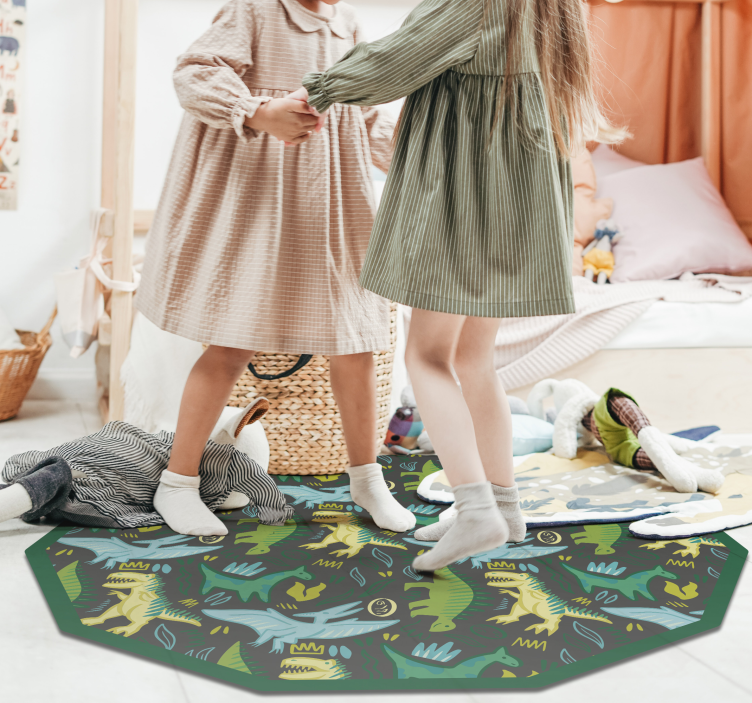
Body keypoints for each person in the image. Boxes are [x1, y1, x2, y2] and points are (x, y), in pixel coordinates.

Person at [292, 0, 626, 571]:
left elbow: (395, 60)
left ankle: (474, 510)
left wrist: (315, 91)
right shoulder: (549, 9)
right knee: (474, 360)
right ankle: (504, 507)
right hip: (511, 199)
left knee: (427, 357)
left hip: (465, 202)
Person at [136, 0, 414, 537]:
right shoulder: (256, 10)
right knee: (231, 344)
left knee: (357, 342)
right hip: (260, 203)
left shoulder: (346, 24)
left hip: (331, 206)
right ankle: (178, 482)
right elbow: (195, 72)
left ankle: (366, 478)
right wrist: (257, 111)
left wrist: (420, 150)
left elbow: (362, 116)